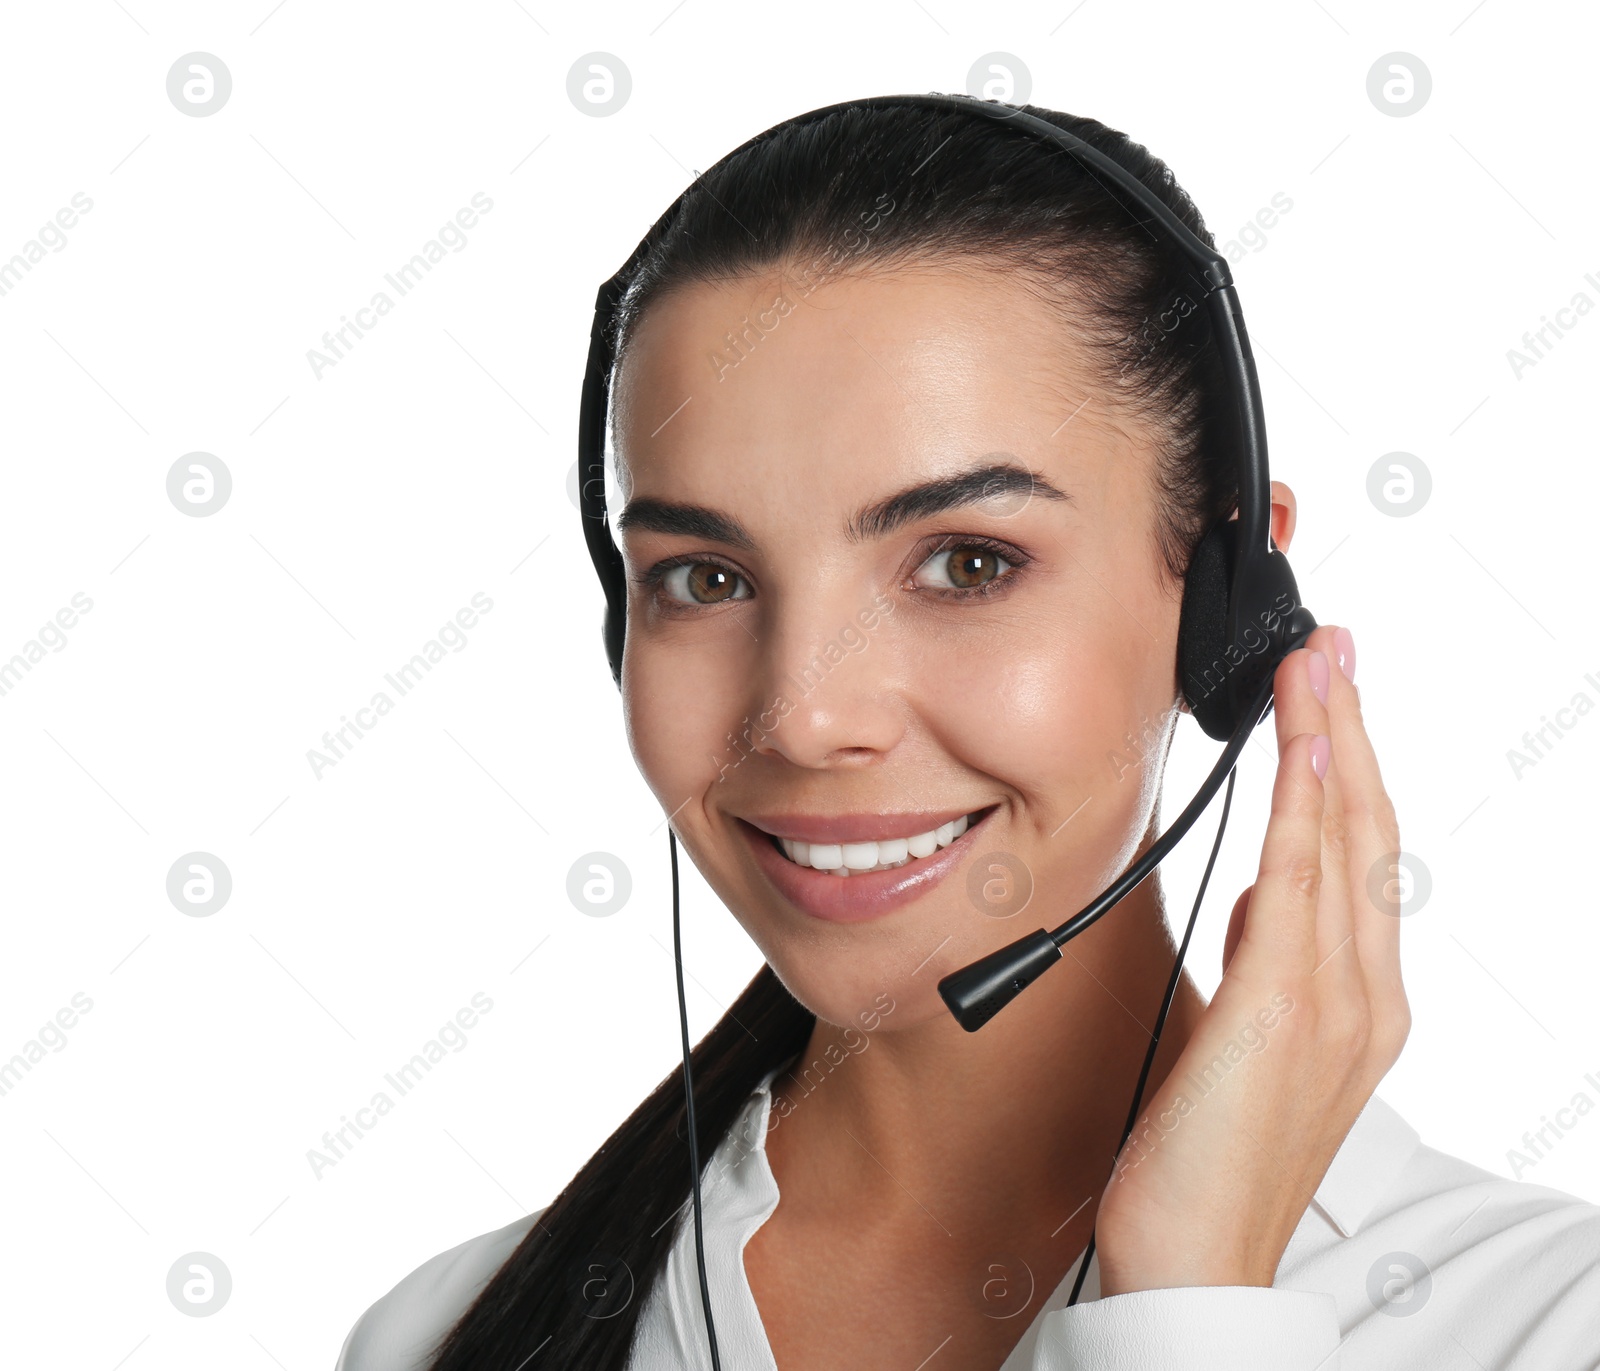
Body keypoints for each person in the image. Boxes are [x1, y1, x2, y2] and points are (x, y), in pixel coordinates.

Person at [334, 97, 1600, 1369]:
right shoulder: (447, 1332)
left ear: (1223, 597)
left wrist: (1189, 1299)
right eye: (706, 579)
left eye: (966, 563)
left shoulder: (1543, 1316)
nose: (806, 716)